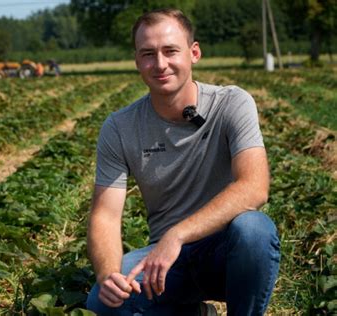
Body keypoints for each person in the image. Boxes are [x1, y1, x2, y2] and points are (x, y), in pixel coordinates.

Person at [86, 8, 280, 316]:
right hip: (165, 266)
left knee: (254, 230)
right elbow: (105, 216)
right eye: (148, 54)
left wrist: (176, 235)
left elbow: (254, 187)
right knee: (102, 302)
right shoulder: (120, 127)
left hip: (225, 253)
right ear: (137, 61)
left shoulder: (231, 103)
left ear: (194, 53)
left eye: (170, 51)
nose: (160, 64)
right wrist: (109, 274)